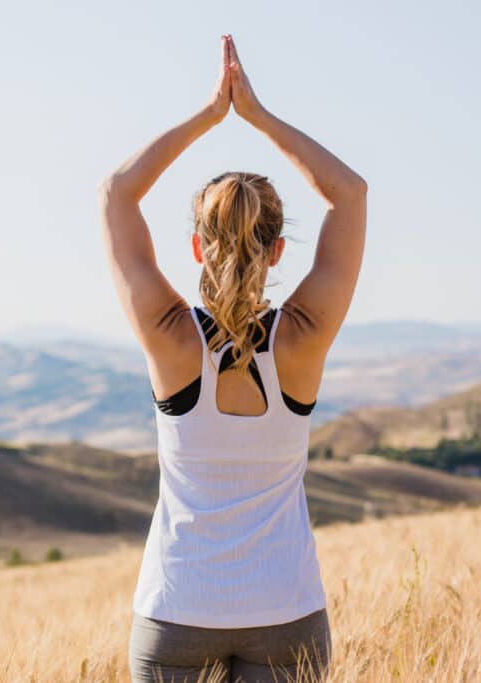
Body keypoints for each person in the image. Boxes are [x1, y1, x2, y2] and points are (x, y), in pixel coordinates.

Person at [98, 33, 367, 683]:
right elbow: (350, 194)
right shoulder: (302, 337)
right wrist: (257, 116)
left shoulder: (169, 336)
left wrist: (210, 115)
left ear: (195, 247)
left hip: (178, 611)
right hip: (287, 613)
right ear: (278, 252)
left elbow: (116, 195)